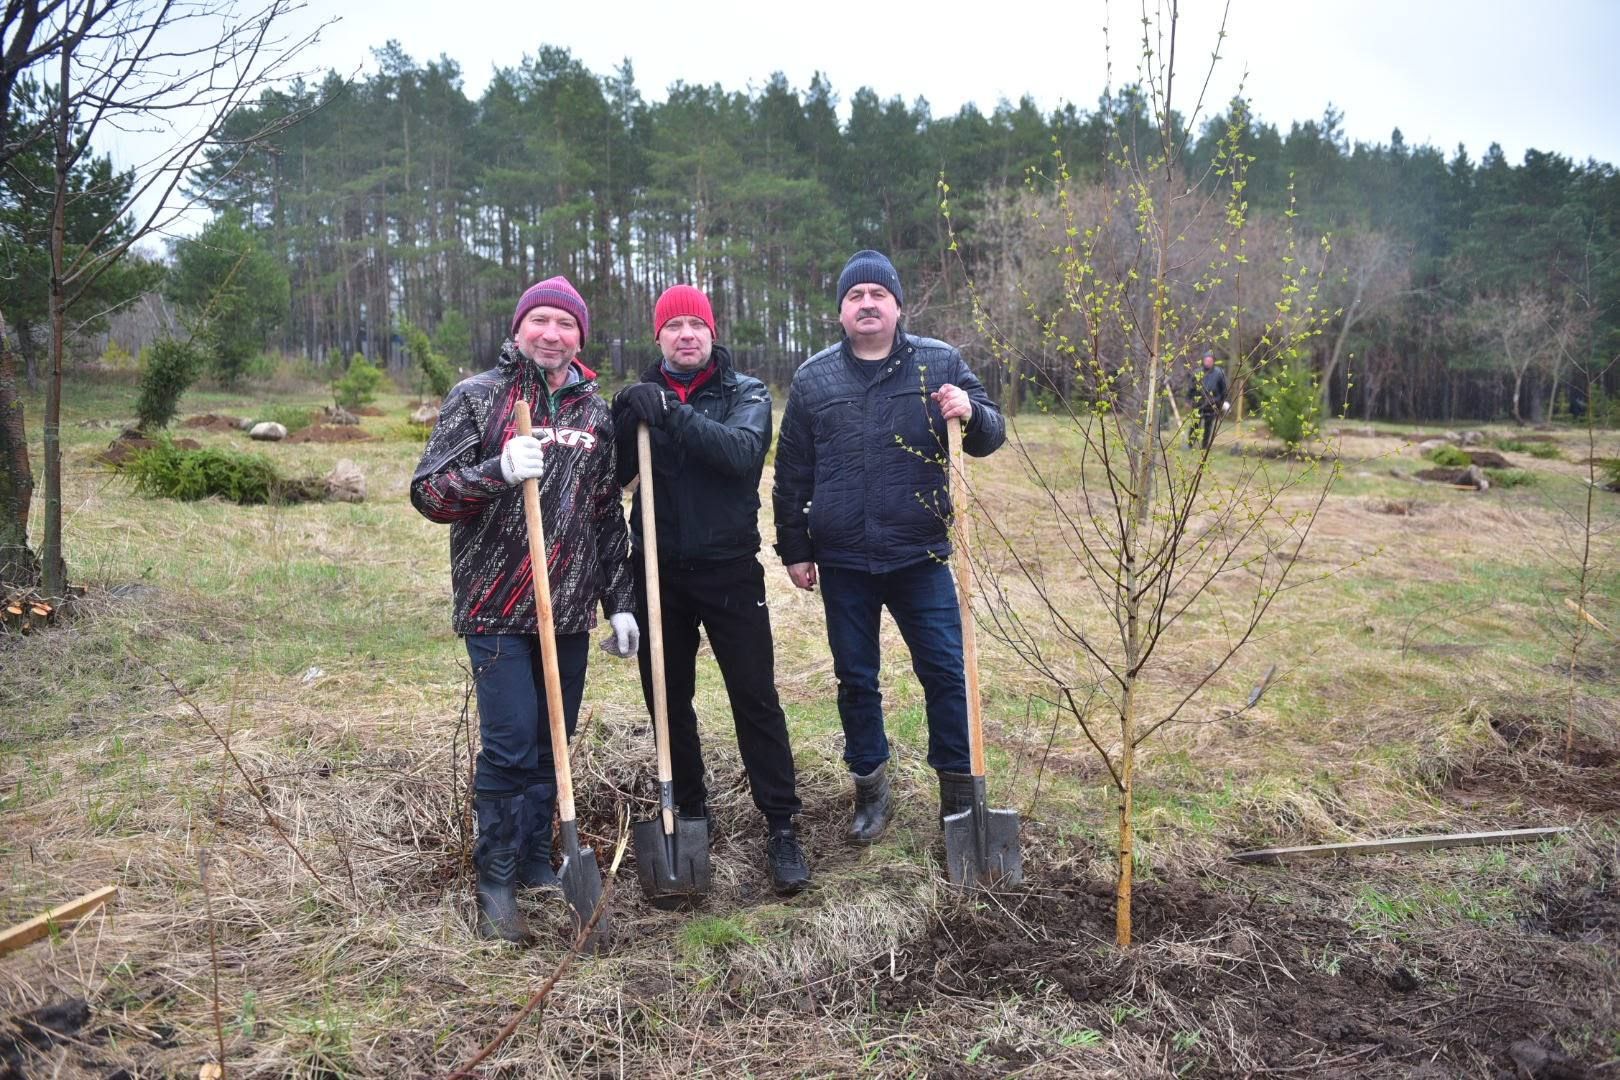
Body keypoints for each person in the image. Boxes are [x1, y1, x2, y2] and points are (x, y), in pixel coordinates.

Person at [411, 275, 638, 944]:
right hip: (496, 609)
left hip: (567, 612)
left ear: (580, 337)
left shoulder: (593, 414)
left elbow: (605, 516)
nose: (551, 333)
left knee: (551, 746)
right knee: (510, 747)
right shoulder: (478, 399)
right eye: (539, 320)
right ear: (518, 330)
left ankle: (540, 859)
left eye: (565, 324)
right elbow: (429, 494)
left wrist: (619, 603)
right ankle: (497, 879)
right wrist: (497, 472)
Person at [772, 250, 1006, 845]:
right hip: (844, 560)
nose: (867, 304)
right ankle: (871, 791)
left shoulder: (939, 363)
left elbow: (991, 434)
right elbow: (793, 471)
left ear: (898, 306)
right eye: (856, 297)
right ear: (842, 311)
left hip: (920, 553)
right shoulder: (813, 378)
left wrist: (971, 410)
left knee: (946, 674)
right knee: (856, 678)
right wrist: (795, 548)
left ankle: (959, 795)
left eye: (879, 295)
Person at [610, 285, 811, 896]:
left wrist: (672, 411)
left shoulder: (745, 393)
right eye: (675, 327)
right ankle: (690, 815)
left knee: (754, 698)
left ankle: (782, 827)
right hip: (657, 574)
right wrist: (626, 416)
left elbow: (742, 455)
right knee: (668, 703)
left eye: (697, 325)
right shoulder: (637, 400)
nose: (687, 335)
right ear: (659, 337)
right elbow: (612, 476)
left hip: (729, 571)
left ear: (712, 333)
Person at [1188, 350, 1230, 451]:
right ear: (1203, 361)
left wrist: (1222, 402)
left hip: (1213, 403)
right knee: (1194, 424)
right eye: (1206, 360)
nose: (1208, 362)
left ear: (1213, 361)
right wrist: (1189, 399)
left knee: (1208, 426)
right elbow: (1191, 388)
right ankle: (1190, 445)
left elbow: (1224, 389)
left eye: (1210, 360)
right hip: (1198, 403)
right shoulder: (1197, 372)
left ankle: (1204, 446)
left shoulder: (1219, 373)